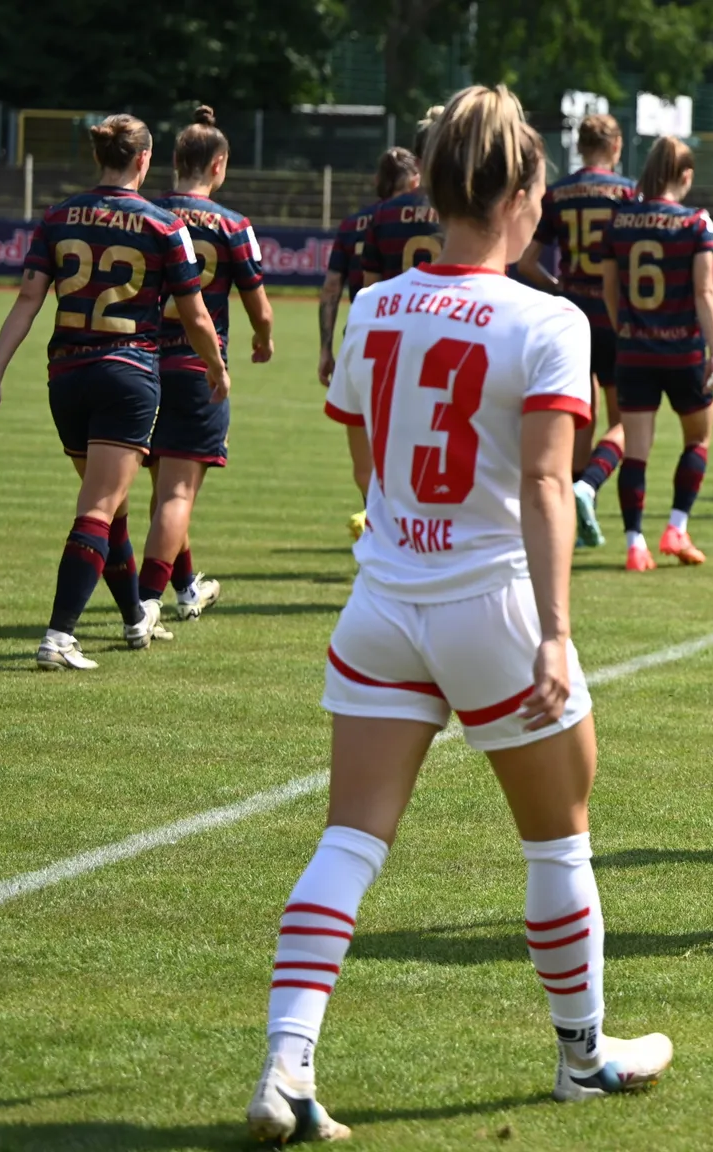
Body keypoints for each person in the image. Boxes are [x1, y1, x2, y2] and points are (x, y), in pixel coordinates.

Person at [259, 86, 672, 1142]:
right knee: (558, 835)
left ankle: (286, 1063)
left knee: (349, 839)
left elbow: (363, 446)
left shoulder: (381, 304)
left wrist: (393, 535)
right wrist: (555, 629)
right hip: (488, 603)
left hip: (383, 601)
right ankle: (582, 1056)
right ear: (525, 194)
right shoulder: (550, 318)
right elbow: (545, 485)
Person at [0, 114, 226, 671]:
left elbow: (26, 301)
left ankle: (135, 615)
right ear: (143, 160)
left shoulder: (58, 216)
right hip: (126, 373)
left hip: (65, 375)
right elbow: (196, 313)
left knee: (112, 507)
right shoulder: (163, 224)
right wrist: (216, 367)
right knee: (99, 507)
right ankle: (59, 636)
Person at [143, 106, 272, 623]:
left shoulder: (149, 216)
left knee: (166, 489)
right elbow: (258, 304)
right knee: (177, 492)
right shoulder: (233, 225)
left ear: (174, 160)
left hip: (145, 366)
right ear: (219, 165)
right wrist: (263, 339)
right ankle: (144, 601)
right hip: (200, 367)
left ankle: (185, 588)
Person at [517, 113, 639, 549]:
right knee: (625, 422)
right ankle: (588, 486)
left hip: (570, 315)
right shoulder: (627, 194)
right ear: (616, 146)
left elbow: (527, 261)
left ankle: (566, 515)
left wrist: (560, 290)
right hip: (614, 317)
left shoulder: (559, 193)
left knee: (579, 419)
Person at [600, 136, 713, 572]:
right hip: (683, 351)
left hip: (633, 351)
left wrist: (625, 329)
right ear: (685, 176)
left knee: (636, 452)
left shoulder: (620, 220)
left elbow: (609, 289)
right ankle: (676, 526)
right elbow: (705, 291)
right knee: (698, 439)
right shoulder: (695, 223)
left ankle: (634, 544)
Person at [320, 148, 419, 540]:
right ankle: (401, 525)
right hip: (421, 339)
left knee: (366, 440)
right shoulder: (438, 214)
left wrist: (326, 348)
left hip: (364, 340)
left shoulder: (356, 222)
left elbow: (332, 288)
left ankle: (376, 513)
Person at [357, 107, 446, 286]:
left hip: (394, 311)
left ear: (417, 163)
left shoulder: (383, 215)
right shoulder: (465, 216)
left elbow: (370, 288)